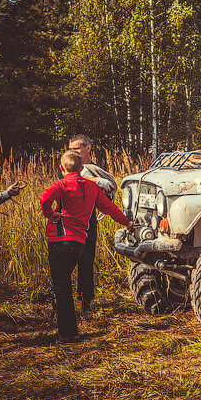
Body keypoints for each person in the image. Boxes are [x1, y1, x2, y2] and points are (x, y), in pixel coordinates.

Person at [41, 150, 131, 344]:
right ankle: (72, 325)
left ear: (61, 168)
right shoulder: (91, 187)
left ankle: (68, 333)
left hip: (60, 240)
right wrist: (127, 223)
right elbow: (109, 208)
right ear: (82, 169)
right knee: (64, 284)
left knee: (62, 286)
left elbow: (44, 199)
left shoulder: (61, 184)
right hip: (79, 243)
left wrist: (49, 214)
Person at [56, 134, 117, 314]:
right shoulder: (67, 167)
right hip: (67, 221)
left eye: (76, 149)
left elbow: (106, 194)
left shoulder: (96, 169)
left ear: (87, 148)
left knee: (86, 262)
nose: (72, 153)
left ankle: (86, 302)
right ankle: (57, 300)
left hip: (89, 221)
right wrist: (97, 181)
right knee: (65, 262)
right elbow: (71, 182)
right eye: (70, 149)